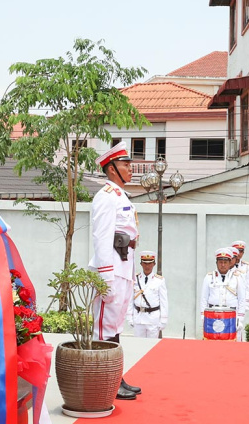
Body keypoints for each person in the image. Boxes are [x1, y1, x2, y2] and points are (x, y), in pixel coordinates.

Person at [88, 141, 141, 400]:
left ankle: (115, 377)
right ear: (111, 169)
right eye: (125, 164)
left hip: (124, 266)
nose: (131, 168)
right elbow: (101, 239)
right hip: (111, 269)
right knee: (104, 329)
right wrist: (105, 279)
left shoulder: (121, 196)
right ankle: (103, 381)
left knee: (116, 326)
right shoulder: (106, 197)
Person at [200, 248, 247, 340]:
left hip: (231, 317)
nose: (223, 265)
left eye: (225, 262)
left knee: (230, 343)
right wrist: (203, 317)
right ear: (216, 263)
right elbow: (203, 299)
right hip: (213, 316)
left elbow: (242, 299)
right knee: (212, 342)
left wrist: (240, 319)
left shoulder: (237, 278)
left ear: (230, 263)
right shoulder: (209, 277)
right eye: (220, 262)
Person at [128, 251, 168, 338]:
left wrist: (163, 320)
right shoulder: (135, 279)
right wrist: (129, 316)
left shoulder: (159, 281)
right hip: (138, 317)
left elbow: (163, 301)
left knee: (152, 344)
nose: (147, 266)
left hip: (153, 319)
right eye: (145, 263)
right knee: (138, 344)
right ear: (141, 264)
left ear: (154, 264)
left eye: (150, 263)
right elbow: (130, 299)